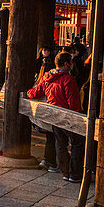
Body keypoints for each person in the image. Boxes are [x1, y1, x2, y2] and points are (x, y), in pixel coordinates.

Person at [26, 52, 85, 183]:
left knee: (60, 144)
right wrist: (78, 117)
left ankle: (65, 172)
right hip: (67, 116)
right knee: (77, 144)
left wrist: (26, 92)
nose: (72, 64)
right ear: (66, 64)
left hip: (53, 115)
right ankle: (74, 174)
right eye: (71, 62)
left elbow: (34, 93)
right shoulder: (68, 79)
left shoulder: (47, 77)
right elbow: (73, 102)